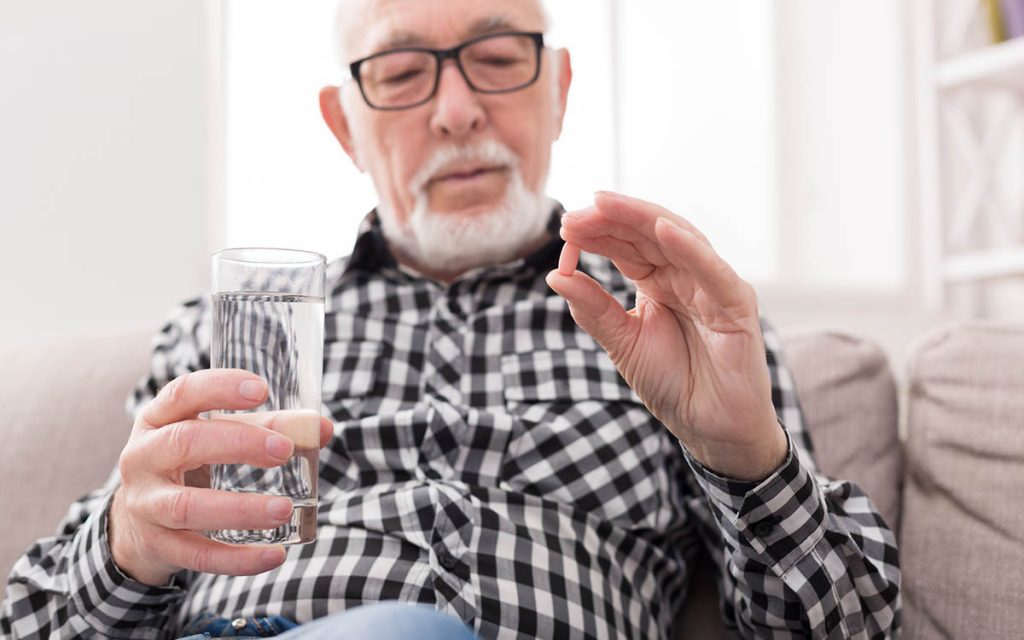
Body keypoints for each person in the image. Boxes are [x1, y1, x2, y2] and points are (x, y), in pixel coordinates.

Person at [0, 0, 901, 638]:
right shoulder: (226, 334)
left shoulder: (677, 323)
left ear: (560, 87)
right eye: (399, 75)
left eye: (500, 58)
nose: (459, 111)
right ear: (344, 127)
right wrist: (126, 540)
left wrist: (748, 456)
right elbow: (32, 621)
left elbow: (849, 629)